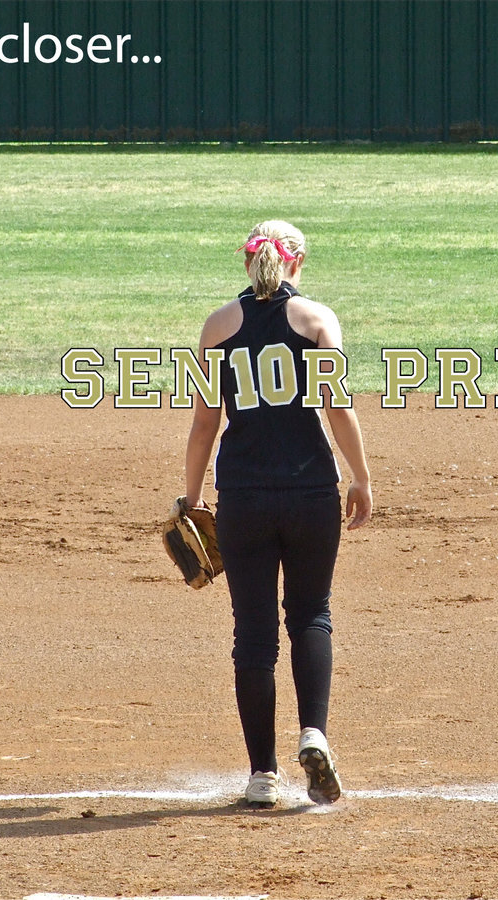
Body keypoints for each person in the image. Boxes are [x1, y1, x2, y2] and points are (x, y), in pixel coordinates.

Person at [183, 220, 373, 809]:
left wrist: (191, 499)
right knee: (311, 614)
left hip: (242, 495)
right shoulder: (318, 321)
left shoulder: (217, 326)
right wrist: (361, 477)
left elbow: (204, 423)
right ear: (299, 263)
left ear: (247, 264)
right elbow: (337, 412)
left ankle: (262, 775)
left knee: (253, 635)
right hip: (311, 490)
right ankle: (313, 733)